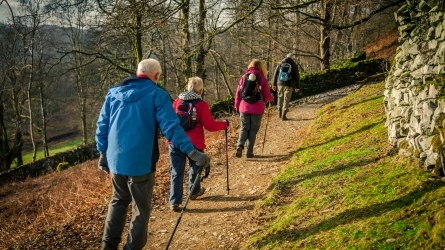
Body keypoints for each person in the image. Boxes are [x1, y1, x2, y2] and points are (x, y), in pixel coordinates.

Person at [95, 59, 210, 250]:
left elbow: (102, 127)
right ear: (156, 76)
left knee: (118, 201)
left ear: (138, 72)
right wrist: (192, 152)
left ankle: (108, 247)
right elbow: (171, 128)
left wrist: (102, 153)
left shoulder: (113, 94)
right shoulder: (157, 94)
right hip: (141, 162)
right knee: (141, 209)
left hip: (116, 161)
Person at [168, 77, 229, 212]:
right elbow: (210, 126)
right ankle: (194, 192)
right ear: (201, 90)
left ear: (188, 87)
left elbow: (171, 121)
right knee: (195, 168)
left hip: (175, 141)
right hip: (195, 142)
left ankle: (174, 201)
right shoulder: (201, 105)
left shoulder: (177, 101)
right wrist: (224, 124)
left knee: (176, 171)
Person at [234, 59, 274, 158]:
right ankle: (249, 152)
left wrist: (237, 106)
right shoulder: (262, 78)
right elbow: (267, 95)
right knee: (253, 129)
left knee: (244, 127)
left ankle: (240, 145)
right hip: (257, 107)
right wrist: (271, 98)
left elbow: (238, 94)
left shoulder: (244, 77)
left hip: (244, 107)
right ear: (261, 67)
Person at [272, 53, 300, 120]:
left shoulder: (280, 63)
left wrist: (274, 84)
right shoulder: (294, 65)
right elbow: (297, 77)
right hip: (289, 84)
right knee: (286, 99)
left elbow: (275, 74)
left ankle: (279, 113)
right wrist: (297, 86)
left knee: (280, 97)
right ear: (292, 58)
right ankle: (284, 115)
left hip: (279, 84)